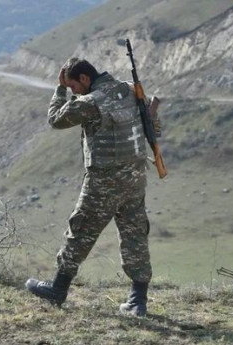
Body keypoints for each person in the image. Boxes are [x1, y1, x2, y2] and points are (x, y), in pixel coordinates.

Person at [26, 58, 152, 316]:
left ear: (84, 79)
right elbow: (150, 123)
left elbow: (56, 119)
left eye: (73, 86)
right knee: (135, 234)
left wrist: (59, 89)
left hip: (104, 181)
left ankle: (57, 291)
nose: (74, 92)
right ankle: (138, 300)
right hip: (136, 177)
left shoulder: (90, 102)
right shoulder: (130, 90)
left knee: (80, 231)